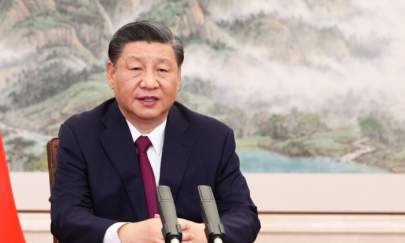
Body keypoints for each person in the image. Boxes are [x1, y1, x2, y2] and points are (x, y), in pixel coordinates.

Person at [50, 20, 260, 243]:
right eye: (136, 69)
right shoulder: (81, 134)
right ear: (112, 73)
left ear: (178, 76)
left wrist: (204, 233)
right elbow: (67, 217)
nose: (149, 83)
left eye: (162, 70)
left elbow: (244, 216)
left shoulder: (214, 138)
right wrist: (125, 234)